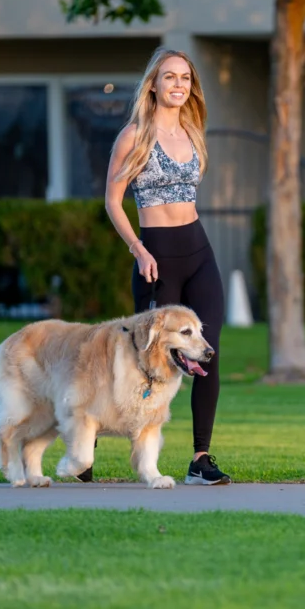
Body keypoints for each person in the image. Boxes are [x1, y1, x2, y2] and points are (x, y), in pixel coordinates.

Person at [89, 46, 231, 486]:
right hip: (157, 255)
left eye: (185, 78)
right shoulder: (134, 136)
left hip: (198, 251)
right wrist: (138, 249)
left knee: (208, 351)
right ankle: (87, 436)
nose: (178, 85)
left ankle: (200, 458)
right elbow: (113, 202)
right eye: (170, 77)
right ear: (153, 84)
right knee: (144, 358)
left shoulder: (192, 130)